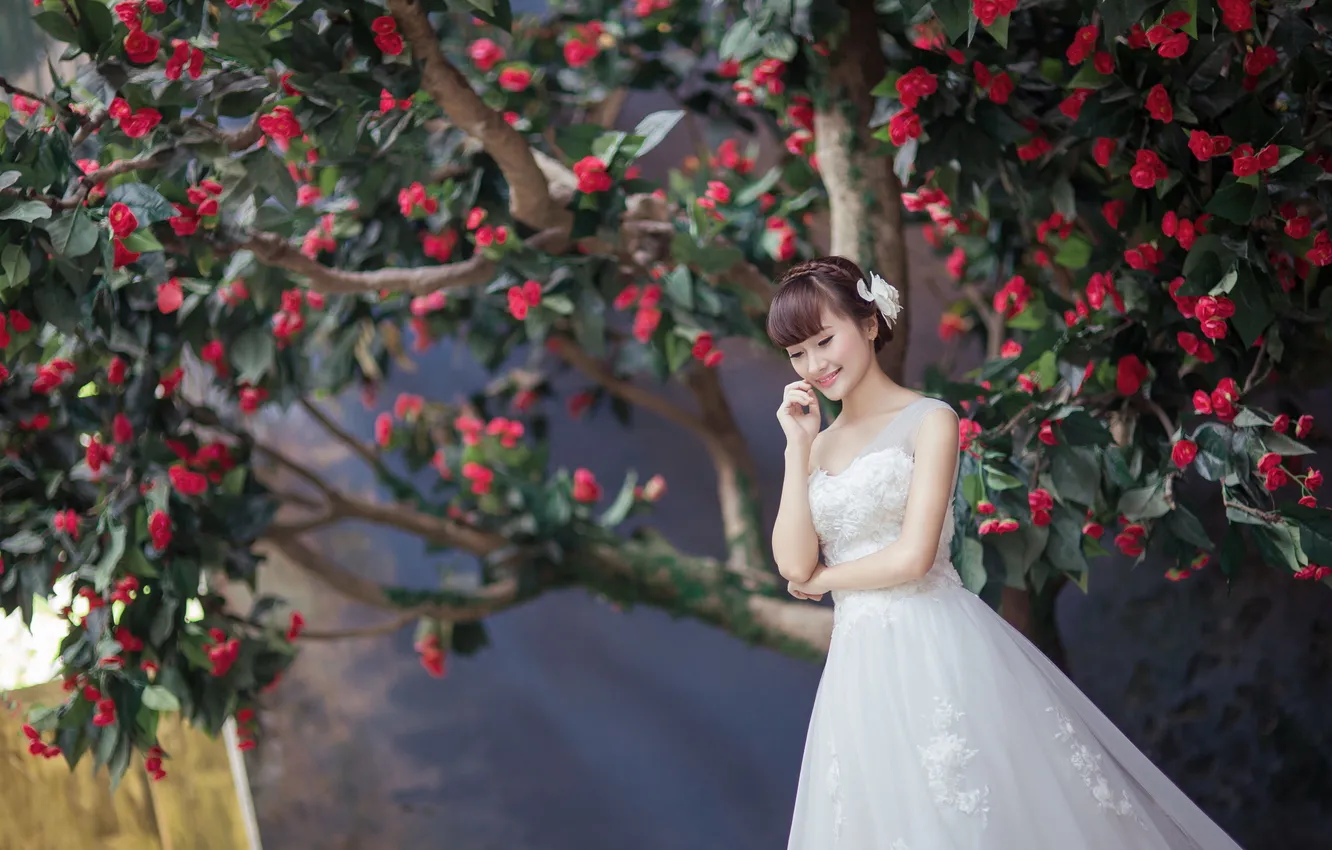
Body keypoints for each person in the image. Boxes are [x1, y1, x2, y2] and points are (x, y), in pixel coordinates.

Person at [767, 256, 1244, 849]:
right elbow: (790, 564)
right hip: (858, 670)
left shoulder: (929, 419)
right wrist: (797, 447)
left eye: (823, 339)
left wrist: (825, 579)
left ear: (868, 323)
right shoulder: (817, 444)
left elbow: (914, 557)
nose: (815, 365)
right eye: (797, 354)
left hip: (935, 647)